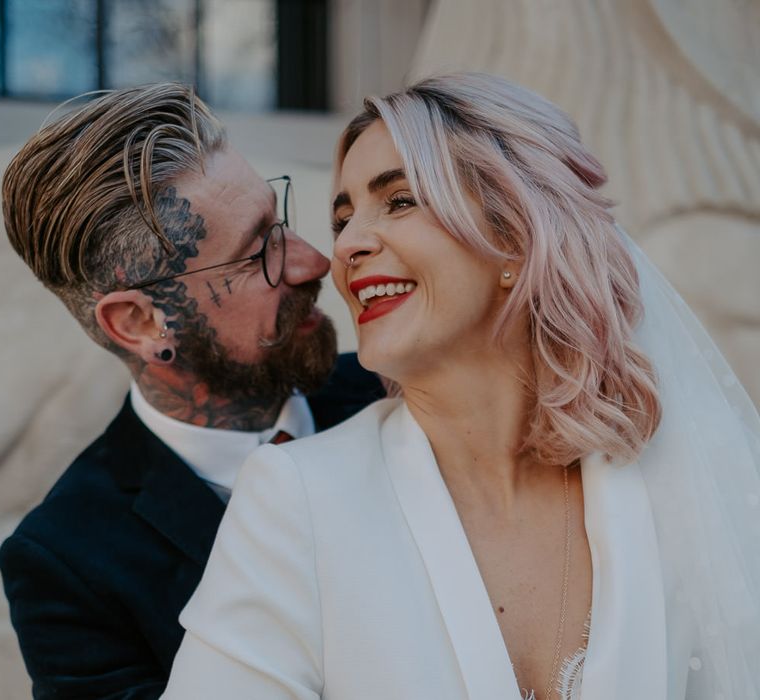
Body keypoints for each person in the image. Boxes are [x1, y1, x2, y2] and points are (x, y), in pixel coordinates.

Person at [162, 73, 760, 700]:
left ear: (515, 235)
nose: (349, 247)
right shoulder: (296, 500)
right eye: (343, 220)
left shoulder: (677, 471)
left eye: (398, 201)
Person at [0, 83, 384, 699]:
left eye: (278, 221)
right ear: (140, 323)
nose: (314, 262)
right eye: (257, 252)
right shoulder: (65, 563)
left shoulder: (399, 392)